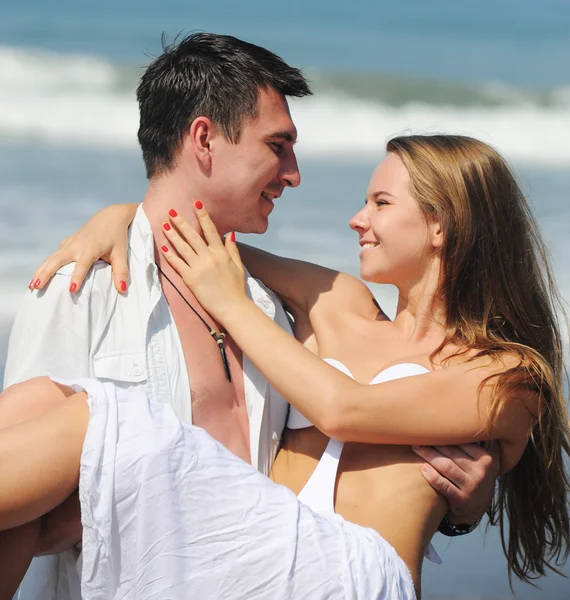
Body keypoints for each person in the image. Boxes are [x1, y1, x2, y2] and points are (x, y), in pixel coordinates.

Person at [3, 33, 495, 599]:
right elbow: (19, 504)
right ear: (205, 138)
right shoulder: (83, 287)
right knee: (44, 410)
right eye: (277, 146)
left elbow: (346, 457)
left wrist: (461, 505)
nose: (294, 173)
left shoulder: (272, 308)